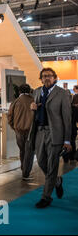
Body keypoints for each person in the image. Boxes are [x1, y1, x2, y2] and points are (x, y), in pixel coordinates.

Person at [27, 68, 72, 208]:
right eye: (44, 76)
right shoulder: (36, 91)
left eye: (49, 76)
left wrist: (67, 140)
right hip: (40, 132)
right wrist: (32, 108)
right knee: (41, 161)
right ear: (41, 78)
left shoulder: (62, 93)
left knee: (52, 165)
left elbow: (67, 118)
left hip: (55, 134)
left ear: (55, 78)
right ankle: (57, 181)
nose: (47, 78)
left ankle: (46, 197)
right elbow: (34, 112)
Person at [7, 83, 35, 180]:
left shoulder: (16, 101)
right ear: (29, 90)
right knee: (29, 151)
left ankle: (24, 168)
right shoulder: (33, 100)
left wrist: (14, 127)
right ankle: (26, 172)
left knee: (22, 150)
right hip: (30, 130)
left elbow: (9, 116)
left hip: (18, 130)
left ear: (19, 91)